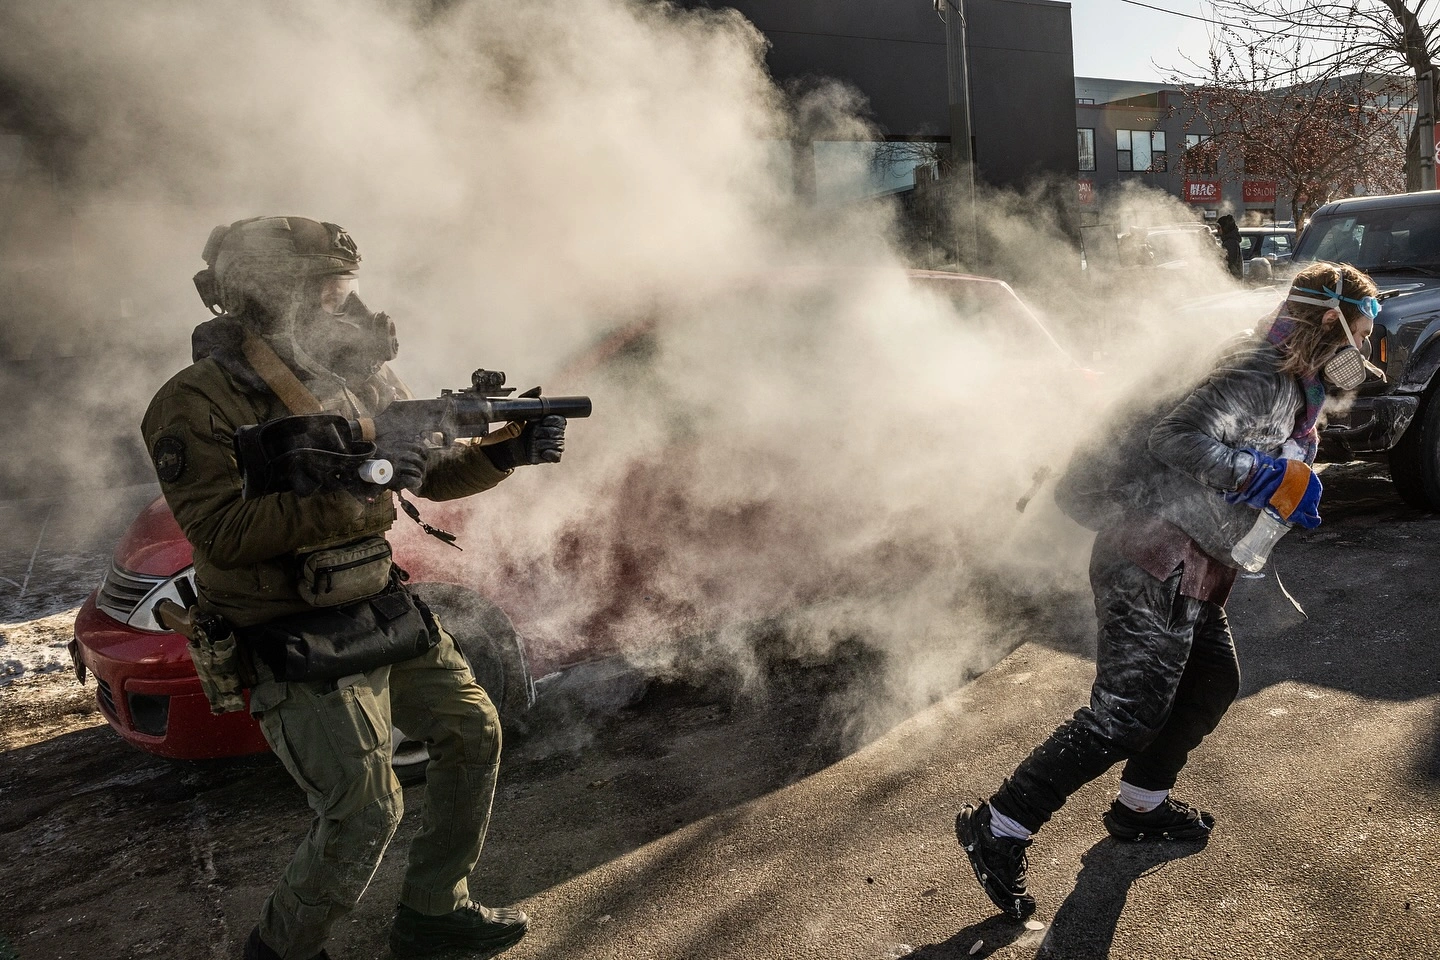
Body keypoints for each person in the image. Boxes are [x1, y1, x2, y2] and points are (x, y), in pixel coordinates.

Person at [142, 217, 566, 960]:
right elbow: (223, 532)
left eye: (345, 290)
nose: (345, 307)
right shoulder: (196, 401)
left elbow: (428, 474)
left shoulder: (355, 373)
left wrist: (505, 453)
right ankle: (283, 950)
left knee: (473, 732)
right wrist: (364, 485)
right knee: (365, 809)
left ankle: (435, 911)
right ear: (269, 294)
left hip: (374, 601)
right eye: (328, 292)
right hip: (287, 627)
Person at [955, 260, 1381, 921]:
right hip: (1149, 556)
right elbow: (1174, 437)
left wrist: (1276, 477)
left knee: (1210, 683)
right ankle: (1000, 825)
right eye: (1362, 335)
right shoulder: (1260, 376)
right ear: (1332, 322)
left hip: (1191, 560)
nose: (1365, 355)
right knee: (1126, 715)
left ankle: (1140, 808)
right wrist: (1261, 477)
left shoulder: (1290, 384)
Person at [1217, 214, 1243, 279]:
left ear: (1225, 228)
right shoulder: (1229, 241)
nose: (1217, 230)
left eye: (1219, 227)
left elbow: (1230, 264)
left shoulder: (1231, 242)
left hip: (1231, 280)